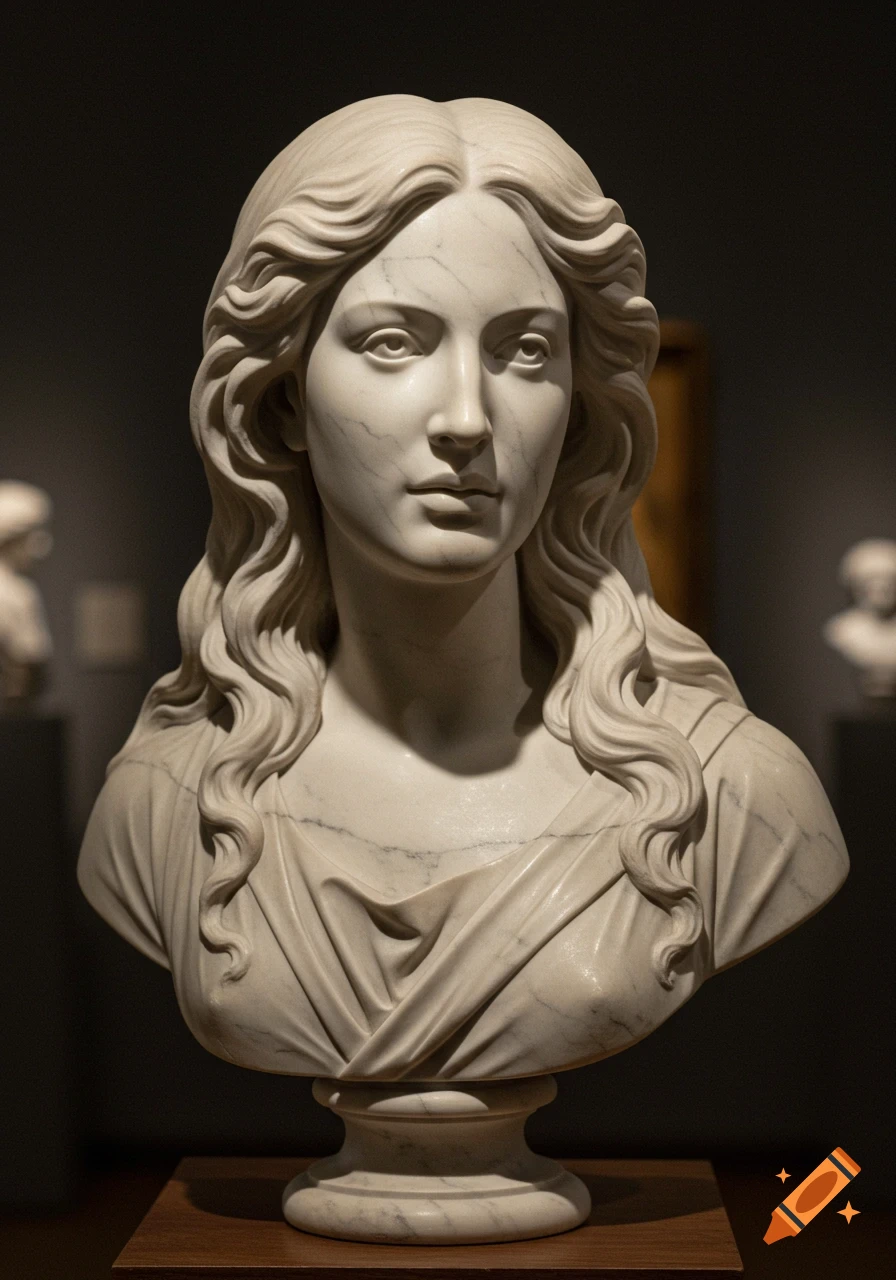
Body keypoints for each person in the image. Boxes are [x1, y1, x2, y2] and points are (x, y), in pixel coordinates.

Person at [78, 96, 848, 1082]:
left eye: (524, 350)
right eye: (394, 343)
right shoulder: (169, 804)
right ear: (282, 399)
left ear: (577, 411)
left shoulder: (732, 797)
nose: (465, 418)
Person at [0, 481, 53, 707]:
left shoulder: (19, 591)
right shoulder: (14, 594)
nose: (43, 546)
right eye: (34, 535)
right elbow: (31, 656)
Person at [824, 538, 896, 698]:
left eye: (889, 579)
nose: (882, 587)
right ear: (855, 586)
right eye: (872, 579)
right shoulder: (843, 629)